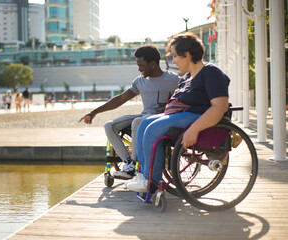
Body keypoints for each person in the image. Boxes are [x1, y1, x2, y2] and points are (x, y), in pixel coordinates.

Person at [127, 32, 230, 192]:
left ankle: (151, 181)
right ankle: (142, 174)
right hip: (181, 115)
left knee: (152, 129)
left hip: (197, 116)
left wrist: (194, 129)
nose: (173, 61)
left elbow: (219, 106)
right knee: (144, 123)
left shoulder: (210, 72)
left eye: (175, 56)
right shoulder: (187, 77)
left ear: (187, 55)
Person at [79, 45, 180, 179]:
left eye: (142, 66)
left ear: (153, 63)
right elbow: (121, 99)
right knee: (109, 125)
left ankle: (132, 166)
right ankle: (129, 162)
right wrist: (94, 112)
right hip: (144, 116)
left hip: (162, 119)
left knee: (138, 122)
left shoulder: (173, 80)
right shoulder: (140, 81)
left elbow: (180, 102)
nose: (139, 69)